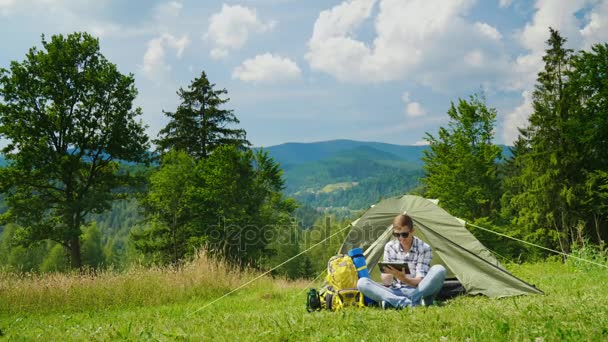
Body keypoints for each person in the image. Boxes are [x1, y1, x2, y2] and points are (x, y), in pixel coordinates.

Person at [357, 214, 446, 309]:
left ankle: (395, 302)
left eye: (404, 234)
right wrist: (388, 274)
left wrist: (403, 278)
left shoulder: (424, 248)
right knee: (362, 283)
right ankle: (409, 304)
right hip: (394, 290)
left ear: (412, 231)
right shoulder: (389, 246)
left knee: (439, 270)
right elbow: (387, 283)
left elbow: (419, 281)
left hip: (418, 290)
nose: (401, 238)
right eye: (397, 235)